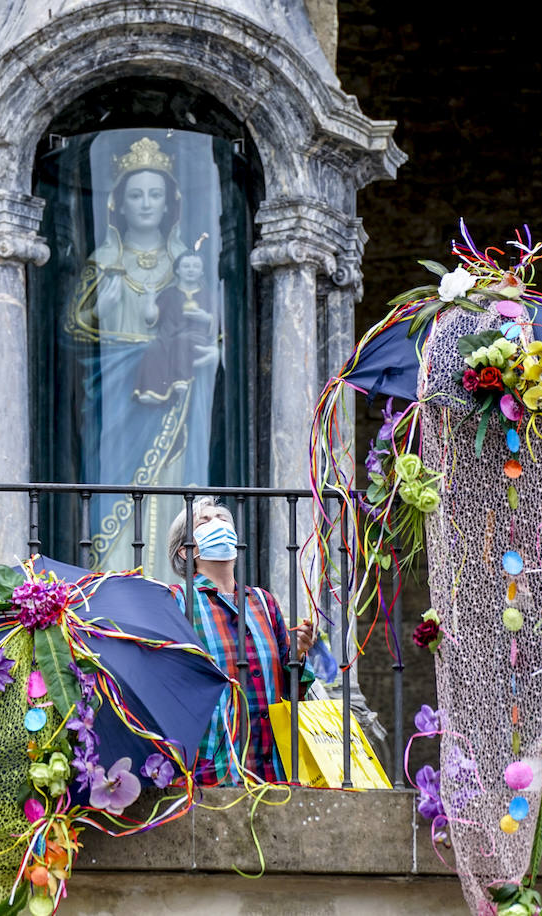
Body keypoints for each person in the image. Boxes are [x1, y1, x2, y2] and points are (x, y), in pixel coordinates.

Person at [65, 136, 218, 578]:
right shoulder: (105, 261)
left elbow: (207, 328)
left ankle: (171, 580)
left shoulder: (183, 265)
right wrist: (105, 312)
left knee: (170, 483)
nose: (146, 203)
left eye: (155, 194)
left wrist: (208, 353)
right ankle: (117, 576)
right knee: (118, 489)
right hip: (117, 397)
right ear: (118, 204)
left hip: (173, 396)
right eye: (136, 194)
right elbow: (76, 334)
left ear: (170, 202)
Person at [167, 497, 315, 784]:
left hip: (275, 770)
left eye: (222, 520)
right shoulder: (179, 601)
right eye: (205, 522)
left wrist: (296, 653)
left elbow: (292, 689)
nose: (218, 525)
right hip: (216, 772)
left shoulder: (263, 601)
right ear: (186, 551)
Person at [133, 250, 218, 405]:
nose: (191, 270)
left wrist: (206, 318)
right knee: (153, 348)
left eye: (195, 266)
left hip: (195, 337)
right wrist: (150, 297)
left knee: (182, 341)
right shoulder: (168, 294)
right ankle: (150, 390)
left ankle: (181, 379)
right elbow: (151, 318)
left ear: (202, 271)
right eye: (186, 266)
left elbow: (219, 321)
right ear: (177, 270)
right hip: (168, 337)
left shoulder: (209, 295)